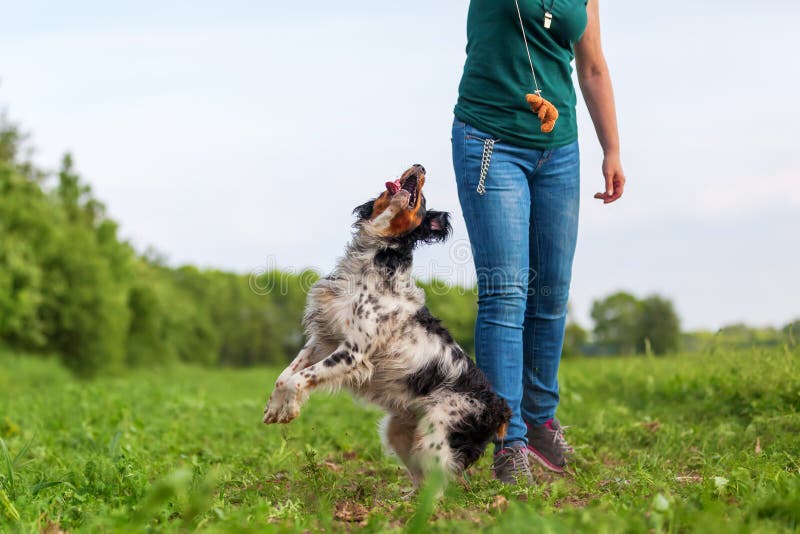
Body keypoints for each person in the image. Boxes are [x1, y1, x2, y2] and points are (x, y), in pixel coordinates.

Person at [451, 0, 625, 484]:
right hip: (490, 140)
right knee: (507, 293)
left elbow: (591, 67)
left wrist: (611, 149)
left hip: (558, 149)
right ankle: (508, 440)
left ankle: (541, 423)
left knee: (550, 293)